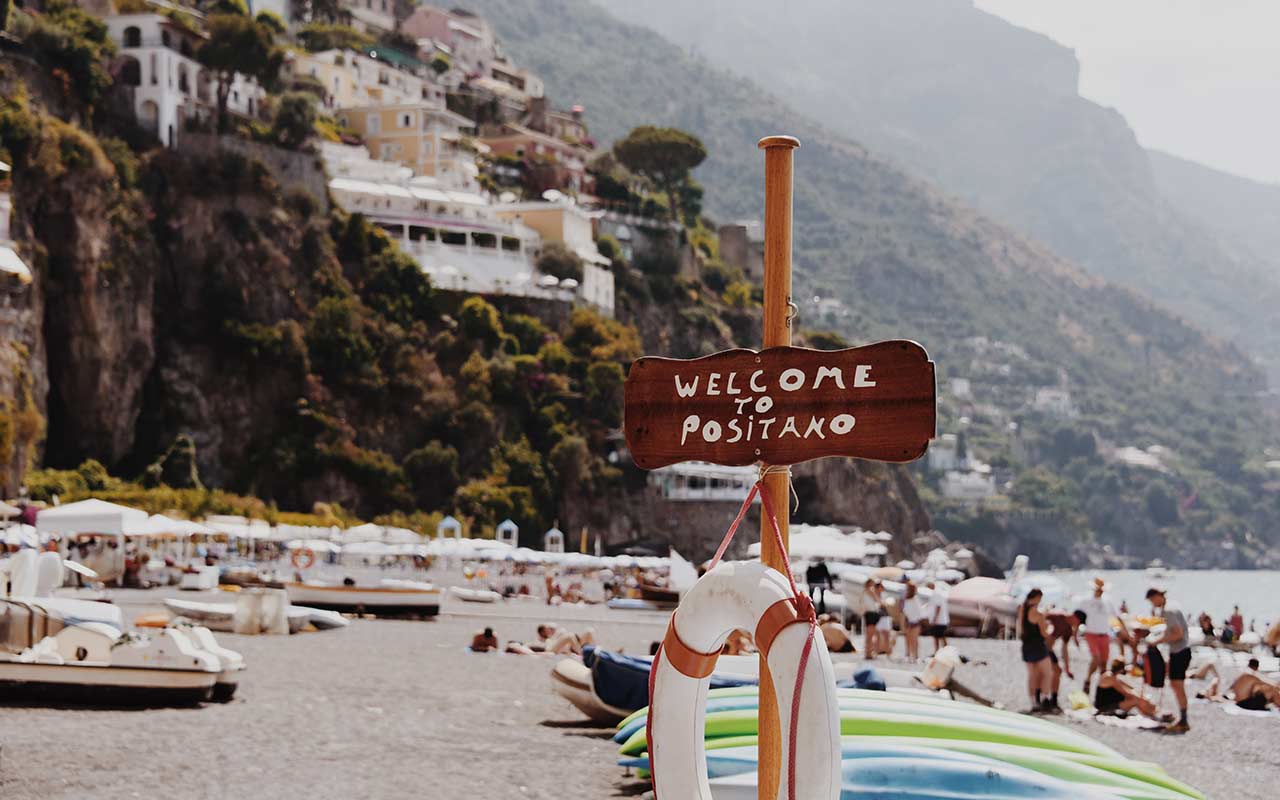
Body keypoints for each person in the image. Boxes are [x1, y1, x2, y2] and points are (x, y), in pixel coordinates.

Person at [1147, 586, 1191, 733]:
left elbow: (1177, 634)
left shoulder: (1168, 611)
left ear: (1157, 596)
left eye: (1152, 600)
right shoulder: (1173, 606)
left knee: (1177, 685)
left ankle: (1184, 720)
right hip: (1181, 651)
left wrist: (1157, 642)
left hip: (1179, 651)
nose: (1152, 604)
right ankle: (1183, 718)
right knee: (1177, 685)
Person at [1077, 577, 1129, 693]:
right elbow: (1077, 617)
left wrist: (1124, 630)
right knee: (1096, 658)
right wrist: (1075, 633)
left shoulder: (1107, 601)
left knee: (1104, 663)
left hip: (1104, 634)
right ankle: (1088, 680)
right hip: (1091, 633)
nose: (1100, 591)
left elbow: (1117, 616)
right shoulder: (1086, 601)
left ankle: (1102, 688)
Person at [1017, 588, 1054, 713]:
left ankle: (1034, 702)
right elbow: (1045, 633)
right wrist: (1050, 627)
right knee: (1047, 673)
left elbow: (1021, 628)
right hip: (1038, 645)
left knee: (1032, 675)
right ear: (1038, 597)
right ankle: (1045, 699)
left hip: (1026, 645)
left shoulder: (1022, 608)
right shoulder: (1038, 613)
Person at [1042, 609, 1083, 711]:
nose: (1078, 625)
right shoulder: (1057, 616)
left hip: (1048, 650)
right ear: (1075, 618)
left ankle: (1053, 699)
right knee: (1047, 672)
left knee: (1057, 671)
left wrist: (1067, 668)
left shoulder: (1068, 629)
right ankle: (1044, 699)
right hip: (1040, 647)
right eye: (1079, 622)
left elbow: (1064, 649)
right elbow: (1041, 618)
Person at [1094, 659, 1163, 720]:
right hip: (1104, 708)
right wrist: (1142, 699)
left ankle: (1152, 713)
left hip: (1110, 704)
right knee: (1135, 700)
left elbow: (1129, 687)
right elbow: (1126, 693)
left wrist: (1141, 697)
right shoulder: (1110, 677)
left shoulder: (1111, 675)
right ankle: (1152, 714)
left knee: (1138, 698)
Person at [902, 582, 926, 662]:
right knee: (914, 640)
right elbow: (920, 612)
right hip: (914, 622)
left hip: (909, 622)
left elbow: (905, 611)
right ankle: (914, 656)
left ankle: (910, 656)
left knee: (909, 640)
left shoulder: (908, 599)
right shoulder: (914, 599)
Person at [924, 581, 950, 655]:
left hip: (939, 620)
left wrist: (934, 619)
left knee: (939, 636)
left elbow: (938, 607)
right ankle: (940, 651)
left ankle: (941, 651)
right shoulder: (936, 594)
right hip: (940, 620)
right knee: (938, 636)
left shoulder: (936, 594)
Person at [862, 579, 886, 657]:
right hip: (871, 613)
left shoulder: (864, 591)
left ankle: (868, 652)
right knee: (870, 635)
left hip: (868, 613)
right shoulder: (870, 590)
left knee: (869, 635)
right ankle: (869, 652)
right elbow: (878, 601)